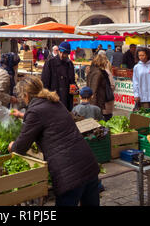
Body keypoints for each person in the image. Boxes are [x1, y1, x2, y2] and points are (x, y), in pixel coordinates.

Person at [8, 75, 100, 206]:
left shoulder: (34, 111)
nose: (22, 99)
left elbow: (21, 147)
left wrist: (13, 146)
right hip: (88, 164)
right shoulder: (55, 101)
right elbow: (47, 118)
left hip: (68, 174)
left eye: (22, 96)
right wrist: (22, 115)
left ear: (26, 95)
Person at [41, 41, 76, 111]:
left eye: (65, 53)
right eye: (60, 52)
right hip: (53, 96)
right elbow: (45, 81)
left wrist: (74, 88)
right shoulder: (50, 62)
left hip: (66, 98)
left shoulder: (69, 64)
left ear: (68, 54)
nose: (62, 55)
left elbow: (72, 81)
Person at [86, 54, 113, 121]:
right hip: (97, 101)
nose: (106, 63)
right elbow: (94, 89)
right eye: (105, 61)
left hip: (96, 101)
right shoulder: (98, 73)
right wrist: (94, 107)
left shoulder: (92, 71)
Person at [97, 51, 115, 121]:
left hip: (99, 102)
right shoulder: (107, 72)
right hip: (106, 101)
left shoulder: (94, 72)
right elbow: (112, 86)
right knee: (107, 119)